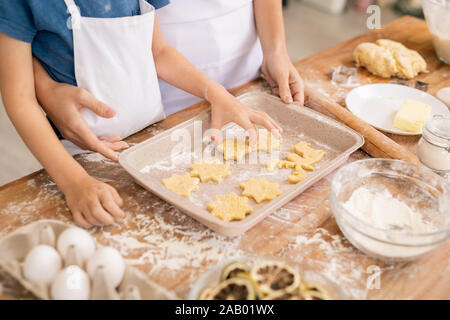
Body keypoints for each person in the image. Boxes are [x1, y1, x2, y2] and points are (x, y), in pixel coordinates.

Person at [0, 0, 281, 228]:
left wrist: (215, 93)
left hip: (150, 139)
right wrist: (74, 182)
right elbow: (19, 99)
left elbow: (159, 52)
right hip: (85, 156)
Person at [31, 0, 304, 161]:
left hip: (241, 79)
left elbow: (160, 52)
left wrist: (275, 48)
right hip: (152, 97)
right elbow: (17, 39)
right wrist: (44, 87)